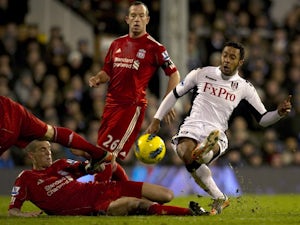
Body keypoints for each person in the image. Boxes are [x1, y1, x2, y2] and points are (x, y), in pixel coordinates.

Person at [146, 41, 292, 215]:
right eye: (225, 55)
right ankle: (218, 195)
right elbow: (175, 93)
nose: (227, 60)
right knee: (186, 154)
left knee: (194, 158)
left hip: (217, 131)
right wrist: (157, 118)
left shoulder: (245, 88)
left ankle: (205, 151)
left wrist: (279, 113)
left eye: (232, 57)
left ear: (240, 62)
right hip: (192, 126)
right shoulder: (201, 73)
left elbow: (262, 119)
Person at [88, 1, 180, 168]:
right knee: (101, 151)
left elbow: (174, 74)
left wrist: (168, 101)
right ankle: (109, 188)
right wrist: (97, 78)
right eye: (133, 16)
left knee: (109, 154)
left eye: (141, 16)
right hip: (110, 105)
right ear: (127, 19)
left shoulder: (155, 48)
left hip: (131, 106)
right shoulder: (116, 44)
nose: (137, 19)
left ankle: (105, 190)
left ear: (147, 19)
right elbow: (107, 71)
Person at [8, 140, 207, 217]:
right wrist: (26, 215)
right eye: (43, 150)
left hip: (104, 189)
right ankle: (192, 212)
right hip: (95, 205)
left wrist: (90, 157)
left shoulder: (60, 165)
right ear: (31, 155)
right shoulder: (26, 178)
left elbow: (88, 168)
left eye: (49, 149)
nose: (48, 153)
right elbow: (13, 211)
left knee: (167, 194)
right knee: (139, 204)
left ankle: (131, 198)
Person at [0, 95, 110, 162]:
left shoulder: (13, 112)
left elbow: (54, 134)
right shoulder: (13, 110)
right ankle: (98, 154)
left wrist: (91, 151)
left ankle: (98, 154)